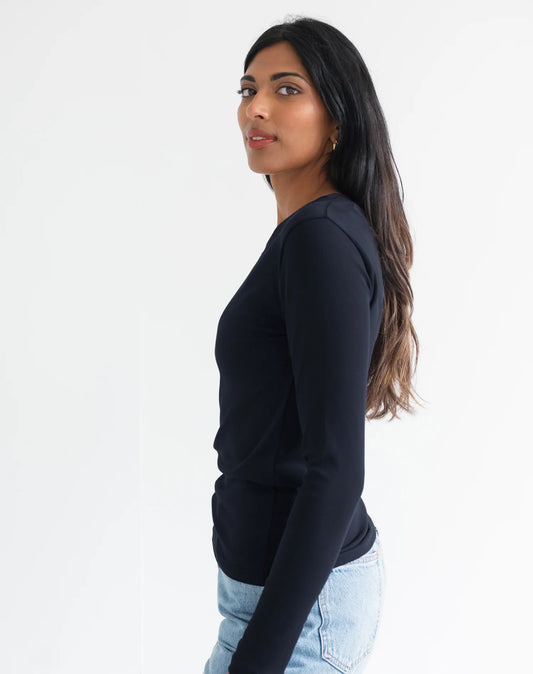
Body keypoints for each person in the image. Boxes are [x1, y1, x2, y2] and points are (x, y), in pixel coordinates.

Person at [202, 15, 422, 674]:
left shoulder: (318, 240)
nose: (256, 107)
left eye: (287, 89)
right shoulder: (318, 231)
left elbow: (336, 469)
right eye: (248, 89)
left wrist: (261, 657)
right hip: (280, 601)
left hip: (299, 615)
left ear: (337, 122)